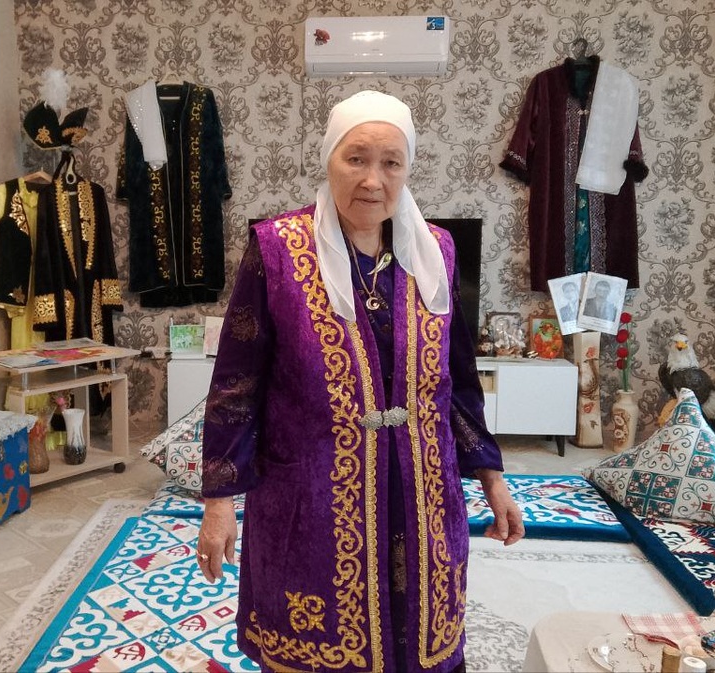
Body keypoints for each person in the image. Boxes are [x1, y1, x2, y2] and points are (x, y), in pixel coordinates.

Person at [196, 90, 524, 673]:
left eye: (391, 162)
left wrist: (492, 479)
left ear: (408, 169)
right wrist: (220, 501)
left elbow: (458, 378)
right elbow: (236, 383)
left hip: (423, 490)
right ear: (329, 159)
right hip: (312, 493)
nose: (373, 180)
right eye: (356, 158)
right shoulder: (276, 249)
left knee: (420, 636)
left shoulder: (436, 252)